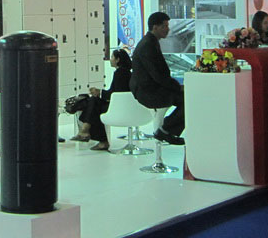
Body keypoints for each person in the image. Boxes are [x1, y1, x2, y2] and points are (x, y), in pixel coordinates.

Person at [130, 11, 185, 145]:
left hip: (151, 88)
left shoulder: (151, 42)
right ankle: (166, 130)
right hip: (148, 92)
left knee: (186, 98)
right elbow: (158, 75)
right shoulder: (148, 45)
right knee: (188, 100)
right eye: (164, 26)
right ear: (155, 27)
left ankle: (167, 130)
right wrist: (178, 88)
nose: (167, 29)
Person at [70, 49, 132, 151]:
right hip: (122, 104)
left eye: (112, 57)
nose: (110, 59)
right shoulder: (124, 72)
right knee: (93, 102)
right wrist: (100, 93)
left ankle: (87, 130)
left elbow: (117, 94)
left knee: (94, 105)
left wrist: (100, 92)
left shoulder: (121, 73)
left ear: (117, 59)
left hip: (120, 106)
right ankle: (88, 131)